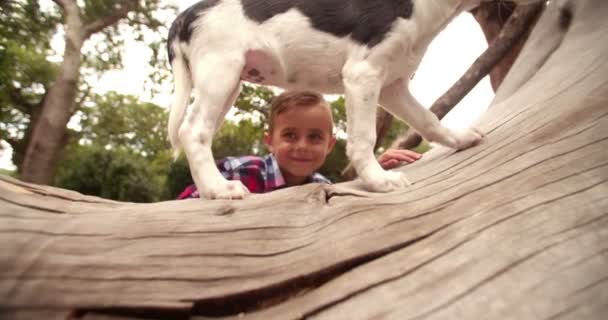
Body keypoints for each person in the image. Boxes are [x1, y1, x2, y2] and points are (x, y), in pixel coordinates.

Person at [177, 90, 421, 199]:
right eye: (290, 135)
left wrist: (375, 170)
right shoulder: (237, 171)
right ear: (269, 141)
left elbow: (348, 203)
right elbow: (184, 207)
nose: (302, 146)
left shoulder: (322, 187)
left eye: (315, 137)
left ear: (329, 144)